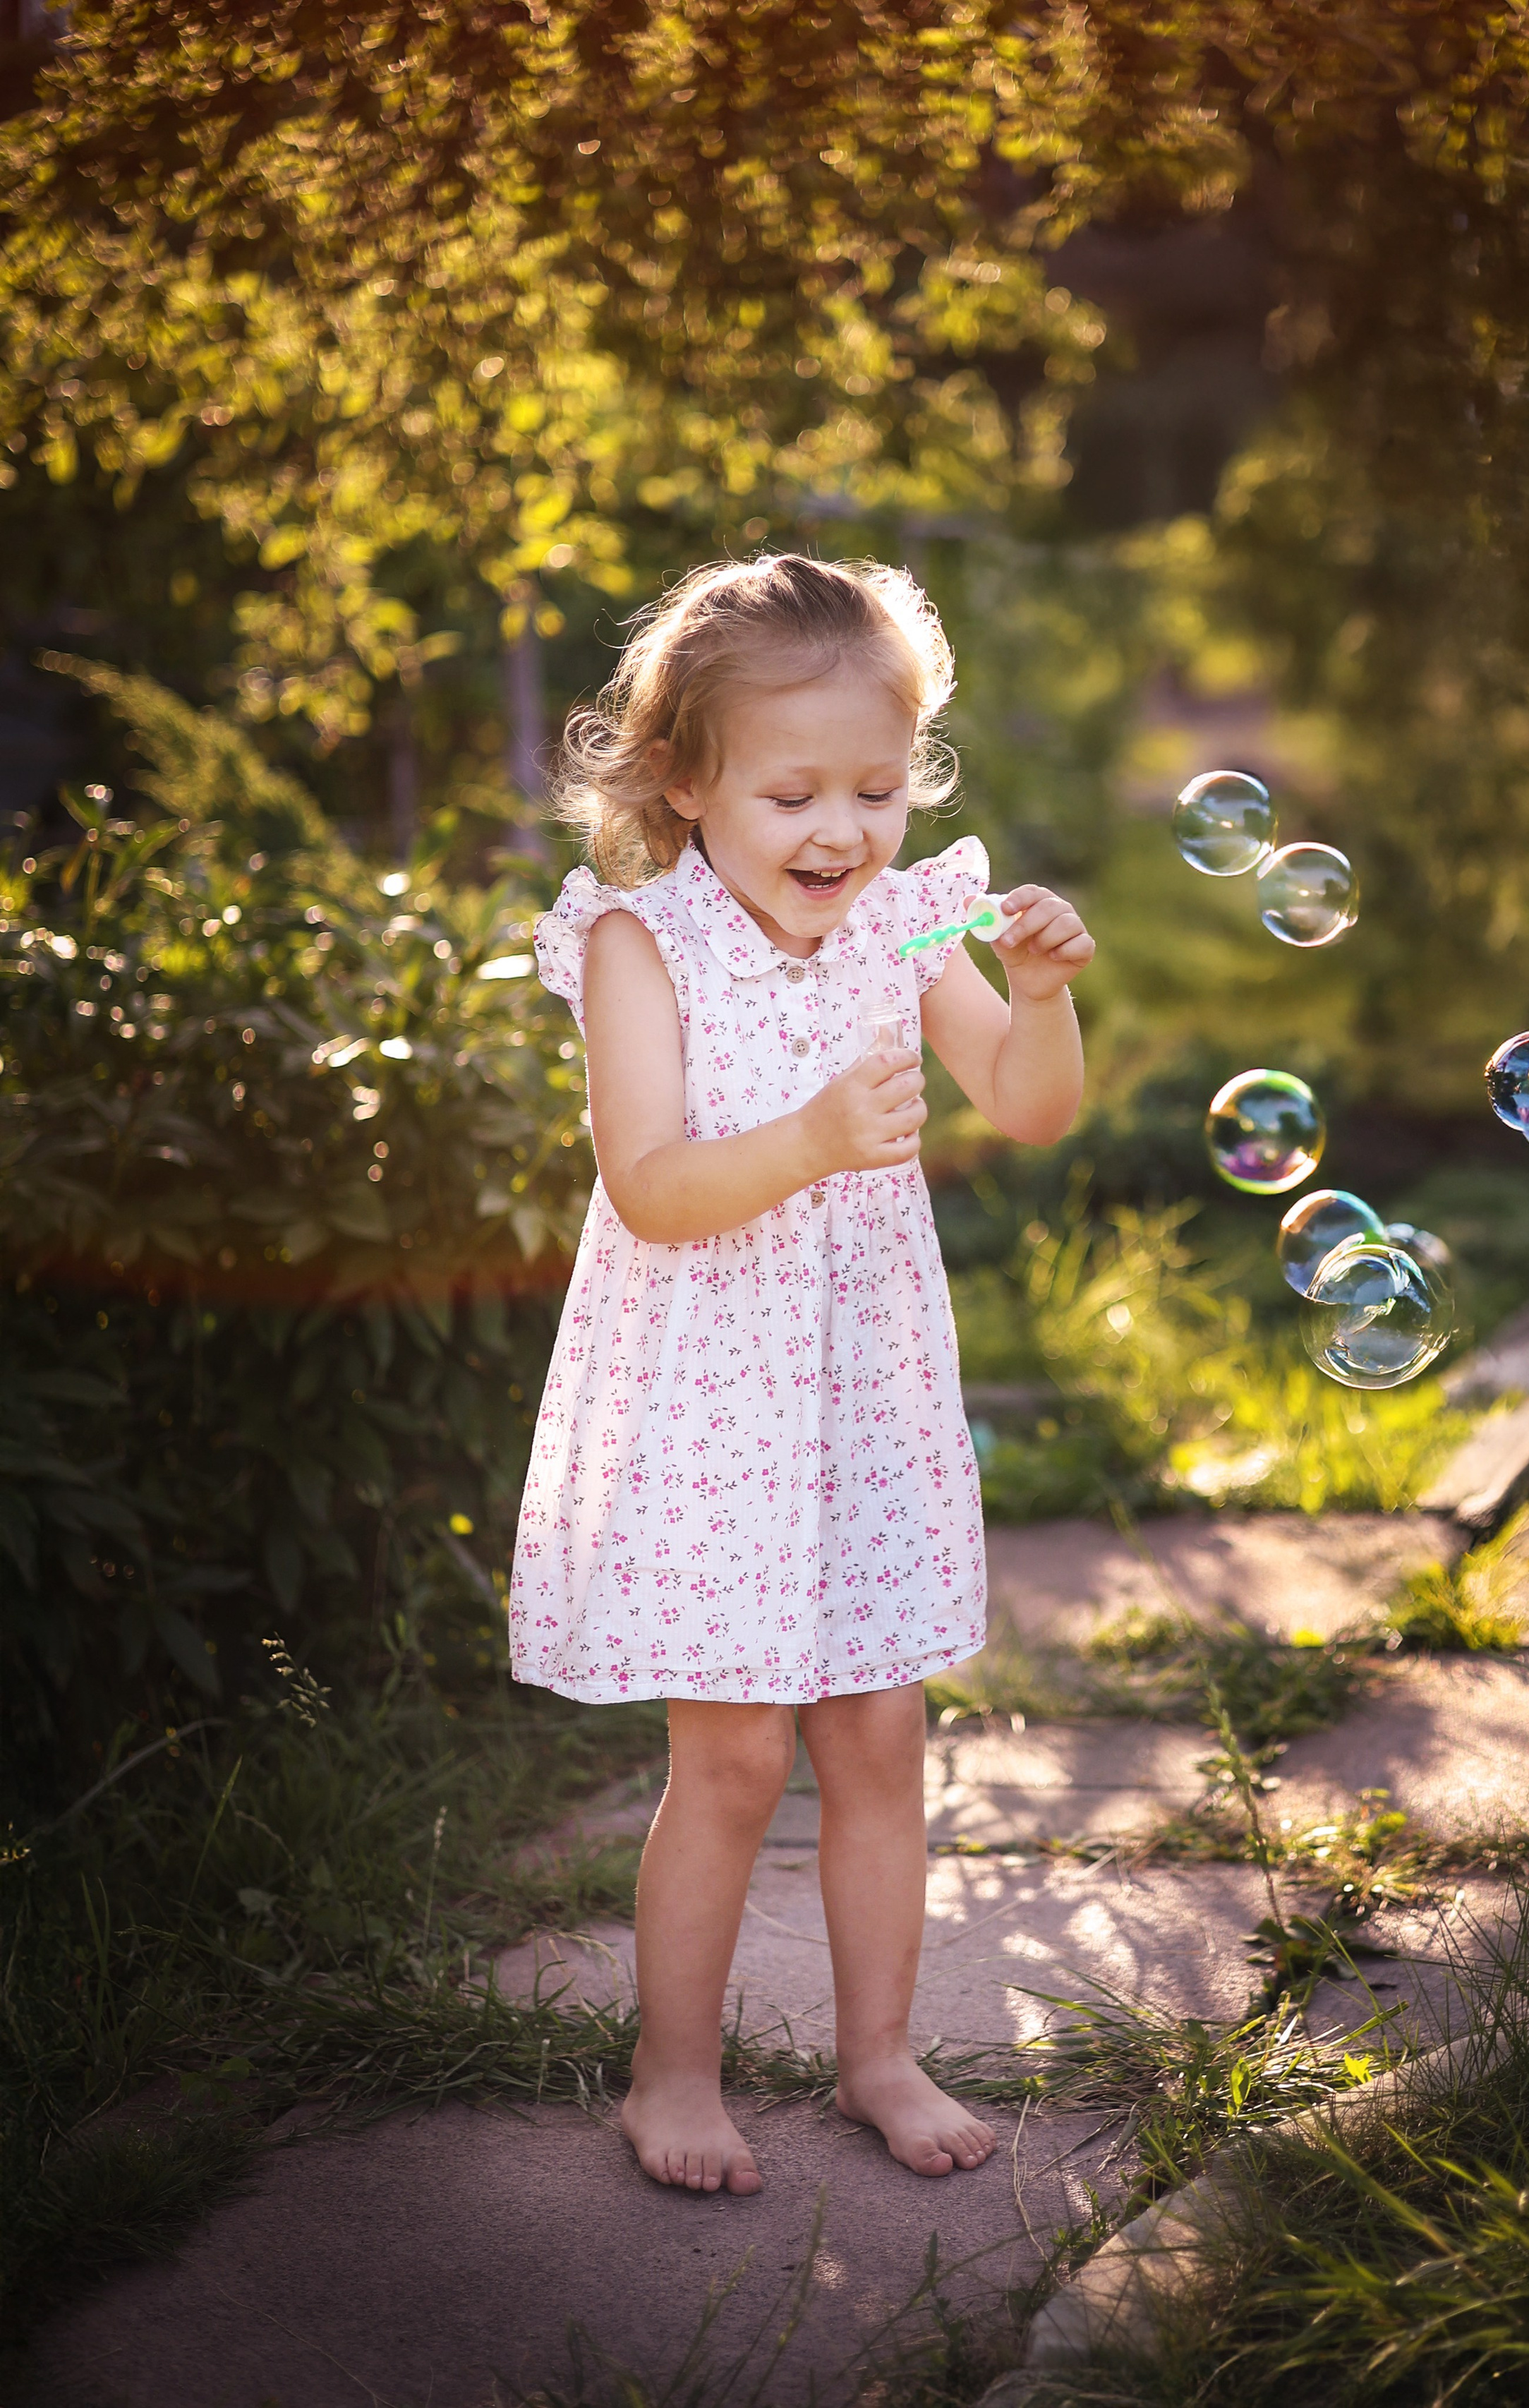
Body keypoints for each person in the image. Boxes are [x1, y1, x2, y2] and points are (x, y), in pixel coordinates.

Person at [512, 553, 1094, 2198]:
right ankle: (671, 2070)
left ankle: (876, 2054)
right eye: (792, 791)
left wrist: (1037, 1000)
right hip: (711, 1404)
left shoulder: (905, 923)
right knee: (735, 1757)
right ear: (684, 779)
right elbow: (650, 1183)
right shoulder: (644, 941)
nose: (842, 828)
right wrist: (815, 1138)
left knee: (880, 1732)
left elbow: (1026, 1104)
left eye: (876, 784)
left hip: (863, 1399)